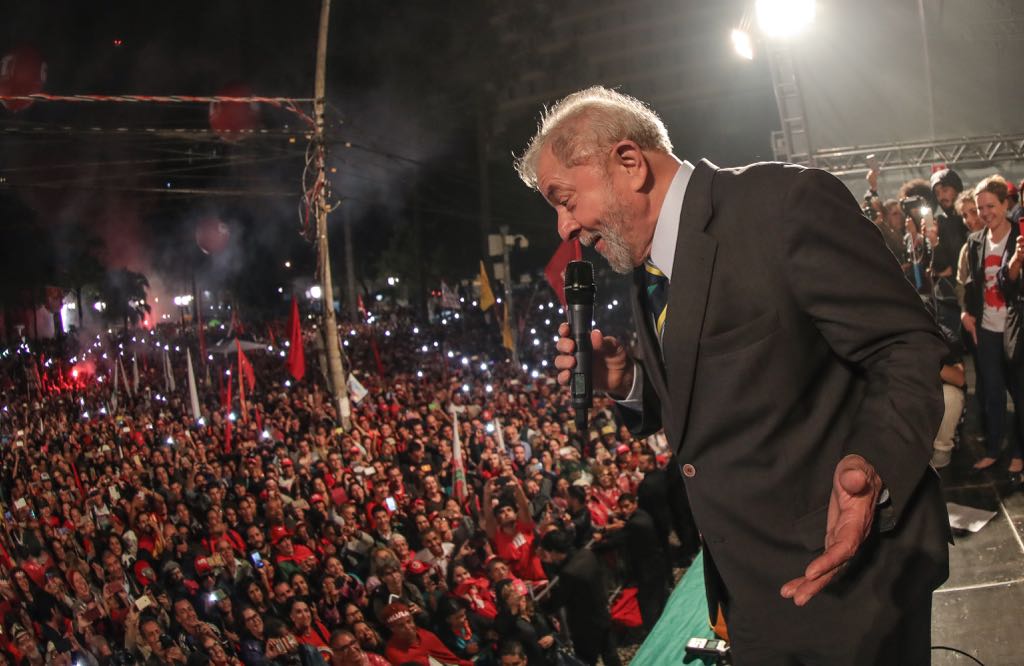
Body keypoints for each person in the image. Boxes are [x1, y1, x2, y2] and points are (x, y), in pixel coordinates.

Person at [519, 86, 950, 664]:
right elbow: (713, 403)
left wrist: (873, 465)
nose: (563, 227)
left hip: (851, 583)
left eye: (565, 200)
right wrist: (627, 382)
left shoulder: (783, 205)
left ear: (629, 163)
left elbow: (906, 345)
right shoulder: (646, 265)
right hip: (751, 595)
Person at [962, 175, 1024, 474]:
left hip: (1015, 329)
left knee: (1020, 394)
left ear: (1005, 204)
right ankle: (994, 448)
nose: (985, 213)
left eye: (991, 206)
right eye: (980, 208)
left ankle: (1019, 452)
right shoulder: (975, 240)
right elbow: (972, 283)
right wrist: (966, 312)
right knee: (992, 394)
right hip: (986, 329)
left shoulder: (1019, 236)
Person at [536, 530, 619, 666]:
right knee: (610, 655)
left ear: (553, 551)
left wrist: (540, 604)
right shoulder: (586, 553)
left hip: (585, 627)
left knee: (585, 661)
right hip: (602, 613)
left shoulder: (568, 573)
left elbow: (555, 603)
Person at [592, 493, 669, 633]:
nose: (624, 510)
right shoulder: (641, 515)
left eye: (627, 506)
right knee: (659, 597)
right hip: (656, 563)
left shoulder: (635, 523)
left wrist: (597, 544)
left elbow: (617, 541)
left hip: (647, 568)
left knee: (648, 602)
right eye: (622, 507)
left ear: (635, 504)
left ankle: (654, 630)